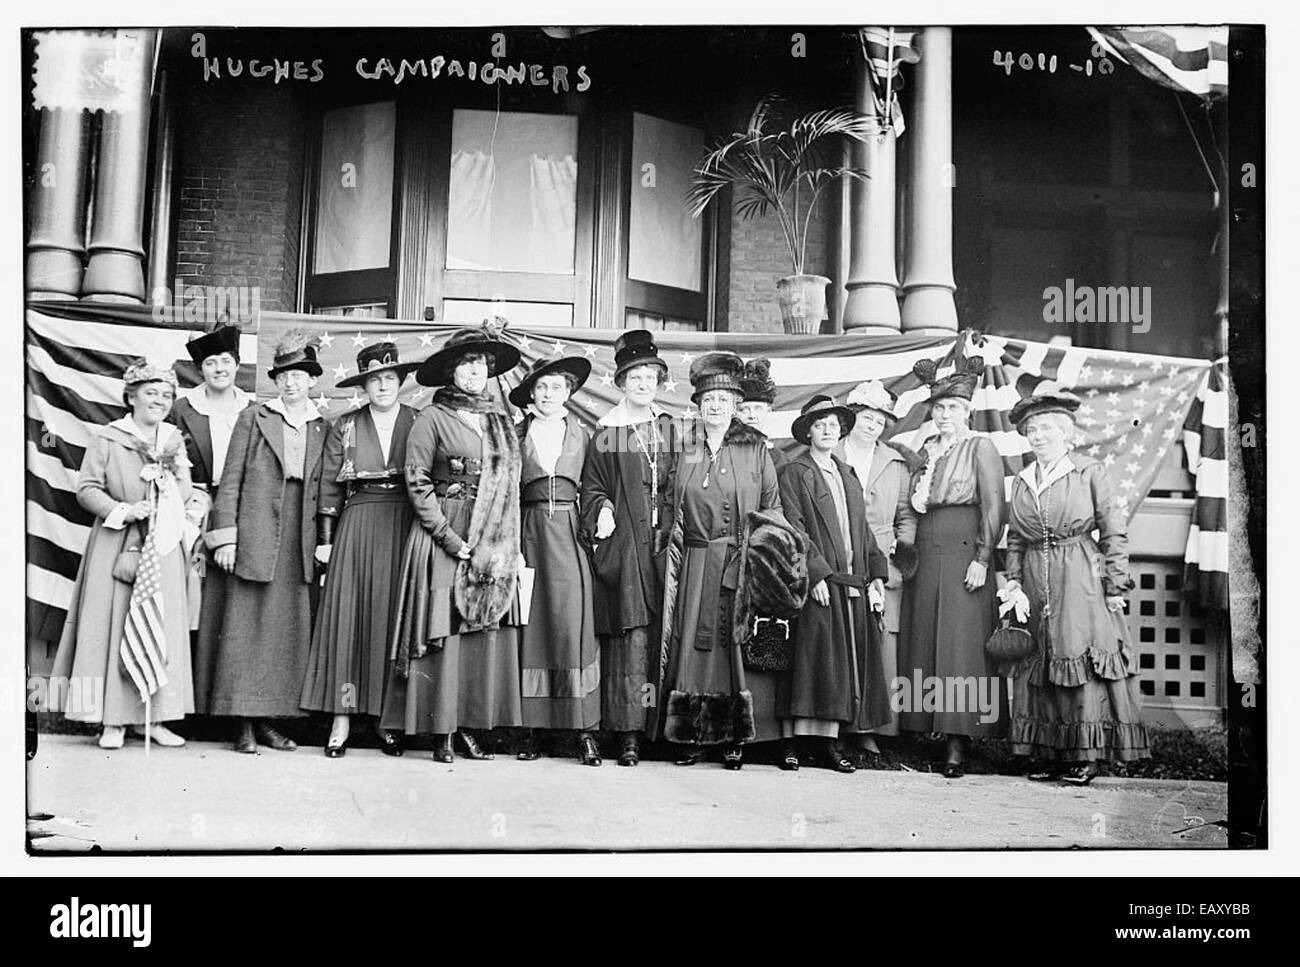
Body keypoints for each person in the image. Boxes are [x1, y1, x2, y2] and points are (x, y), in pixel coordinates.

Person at [382, 320, 524, 763]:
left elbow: (511, 485)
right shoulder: (433, 417)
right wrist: (447, 536)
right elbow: (417, 481)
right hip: (445, 531)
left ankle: (464, 726)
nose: (474, 372)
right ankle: (436, 731)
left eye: (480, 364)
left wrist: (508, 543)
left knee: (478, 631)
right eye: (465, 365)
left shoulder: (502, 422)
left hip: (492, 533)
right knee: (443, 627)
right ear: (451, 373)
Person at [1003, 385, 1151, 783]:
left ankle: (1084, 755)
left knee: (1077, 656)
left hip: (1081, 573)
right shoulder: (1021, 480)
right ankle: (1053, 752)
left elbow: (1113, 530)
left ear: (1066, 433)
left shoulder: (1088, 472)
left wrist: (1115, 584)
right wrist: (1014, 582)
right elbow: (1015, 537)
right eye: (1032, 429)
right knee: (1044, 660)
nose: (1038, 435)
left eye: (1047, 428)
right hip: (1036, 576)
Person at [50, 360, 194, 749]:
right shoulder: (109, 438)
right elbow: (87, 489)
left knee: (159, 626)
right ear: (131, 397)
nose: (159, 401)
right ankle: (111, 721)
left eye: (166, 395)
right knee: (109, 627)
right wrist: (127, 510)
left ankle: (154, 719)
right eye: (150, 393)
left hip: (161, 542)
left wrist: (168, 490)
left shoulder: (173, 441)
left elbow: (185, 492)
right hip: (116, 543)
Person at [198, 329, 327, 754]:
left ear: (312, 380)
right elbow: (231, 479)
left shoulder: (321, 426)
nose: (291, 383)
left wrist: (324, 542)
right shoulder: (254, 417)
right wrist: (226, 539)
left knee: (285, 633)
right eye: (284, 375)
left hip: (298, 536)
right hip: (255, 530)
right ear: (276, 380)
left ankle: (271, 721)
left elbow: (326, 489)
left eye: (299, 375)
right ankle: (242, 725)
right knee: (246, 630)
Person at [657, 352, 783, 770]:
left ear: (735, 404)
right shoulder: (685, 445)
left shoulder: (755, 447)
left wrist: (759, 559)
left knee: (731, 648)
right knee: (690, 645)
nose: (715, 407)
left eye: (724, 399)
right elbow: (666, 499)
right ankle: (690, 734)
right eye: (708, 399)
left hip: (735, 561)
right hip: (692, 560)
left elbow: (771, 508)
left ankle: (732, 737)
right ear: (698, 404)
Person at [300, 342, 420, 757]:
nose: (382, 386)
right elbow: (330, 485)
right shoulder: (345, 424)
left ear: (400, 382)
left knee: (393, 618)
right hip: (359, 518)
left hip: (406, 521)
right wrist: (326, 542)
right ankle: (342, 716)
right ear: (364, 385)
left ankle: (389, 721)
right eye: (374, 380)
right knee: (349, 618)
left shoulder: (419, 421)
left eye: (389, 378)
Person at [898, 357, 1007, 778]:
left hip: (964, 548)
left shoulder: (981, 447)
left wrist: (983, 558)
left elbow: (994, 506)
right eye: (939, 408)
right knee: (926, 637)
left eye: (953, 408)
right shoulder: (926, 452)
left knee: (960, 645)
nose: (945, 415)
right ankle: (928, 729)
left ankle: (958, 742)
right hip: (927, 550)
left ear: (968, 411)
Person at [581, 330, 679, 767]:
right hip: (629, 545)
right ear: (620, 383)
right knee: (631, 639)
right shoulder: (607, 431)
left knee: (667, 630)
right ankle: (627, 735)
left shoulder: (674, 429)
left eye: (649, 376)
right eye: (634, 377)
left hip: (669, 541)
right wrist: (601, 509)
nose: (643, 384)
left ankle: (663, 731)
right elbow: (593, 486)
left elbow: (689, 484)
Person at [776, 396, 888, 773]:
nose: (828, 430)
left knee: (841, 665)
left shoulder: (846, 473)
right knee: (811, 661)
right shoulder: (795, 472)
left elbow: (864, 532)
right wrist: (816, 572)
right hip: (821, 583)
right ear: (808, 431)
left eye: (834, 425)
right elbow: (794, 526)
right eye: (820, 424)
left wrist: (876, 576)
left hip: (852, 583)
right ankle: (793, 744)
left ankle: (831, 742)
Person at [509, 355, 601, 765]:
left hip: (569, 534)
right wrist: (508, 546)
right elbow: (504, 493)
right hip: (526, 533)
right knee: (532, 627)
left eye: (557, 388)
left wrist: (605, 511)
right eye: (542, 387)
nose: (549, 395)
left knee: (570, 625)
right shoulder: (514, 435)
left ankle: (581, 729)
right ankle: (531, 729)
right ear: (532, 392)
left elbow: (599, 487)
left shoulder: (585, 435)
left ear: (569, 392)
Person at [837, 379, 918, 756]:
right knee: (844, 636)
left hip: (883, 558)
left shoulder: (896, 463)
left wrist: (898, 554)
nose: (872, 425)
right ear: (853, 417)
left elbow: (906, 517)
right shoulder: (831, 452)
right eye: (866, 417)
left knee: (882, 641)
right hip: (843, 555)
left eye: (880, 420)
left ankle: (875, 728)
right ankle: (839, 723)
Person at [167, 325, 253, 641]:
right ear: (201, 369)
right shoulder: (180, 411)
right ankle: (192, 663)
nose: (219, 369)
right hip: (196, 507)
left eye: (225, 361)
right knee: (197, 578)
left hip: (241, 508)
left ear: (237, 364)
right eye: (211, 363)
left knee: (234, 584)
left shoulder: (254, 412)